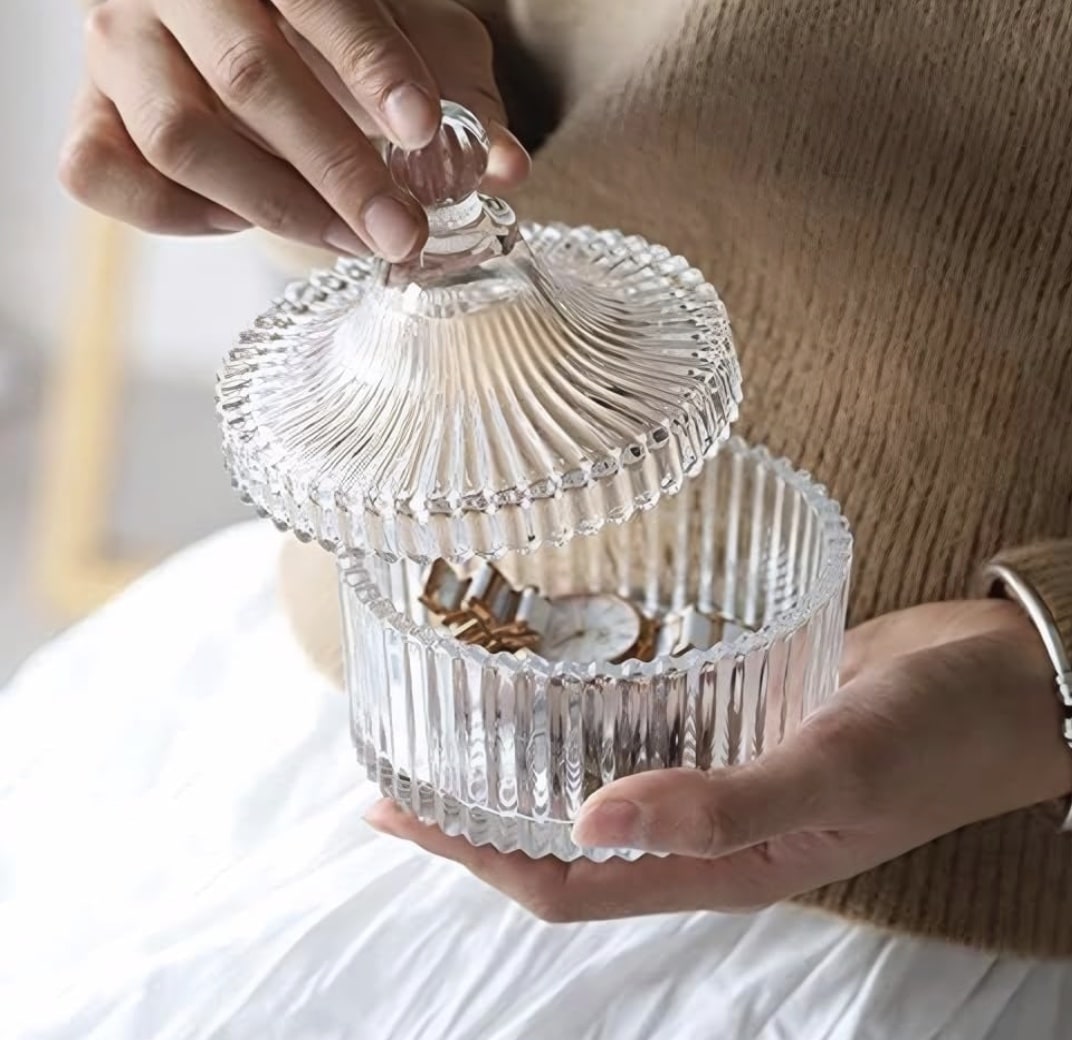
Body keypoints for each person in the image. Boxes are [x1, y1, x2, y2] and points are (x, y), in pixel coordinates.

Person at [60, 0, 1072, 957]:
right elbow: (490, 80)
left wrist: (1043, 681)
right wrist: (284, 97)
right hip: (358, 698)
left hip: (942, 876)